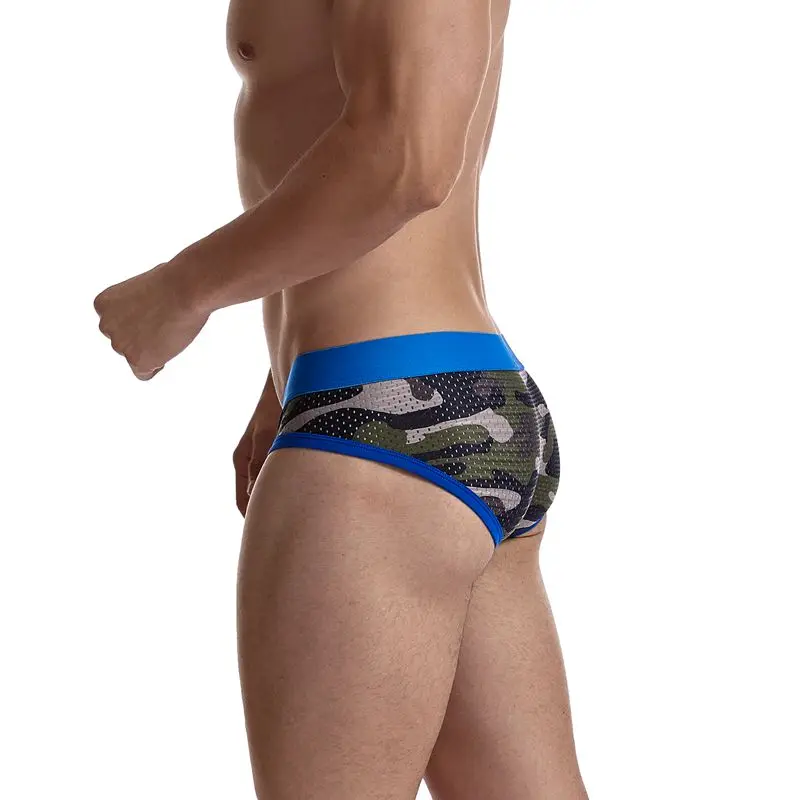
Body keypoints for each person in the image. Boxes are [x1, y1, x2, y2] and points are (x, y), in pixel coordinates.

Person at [93, 1, 588, 797]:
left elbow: (409, 159)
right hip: (452, 396)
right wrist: (278, 380)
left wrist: (182, 290)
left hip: (378, 425)